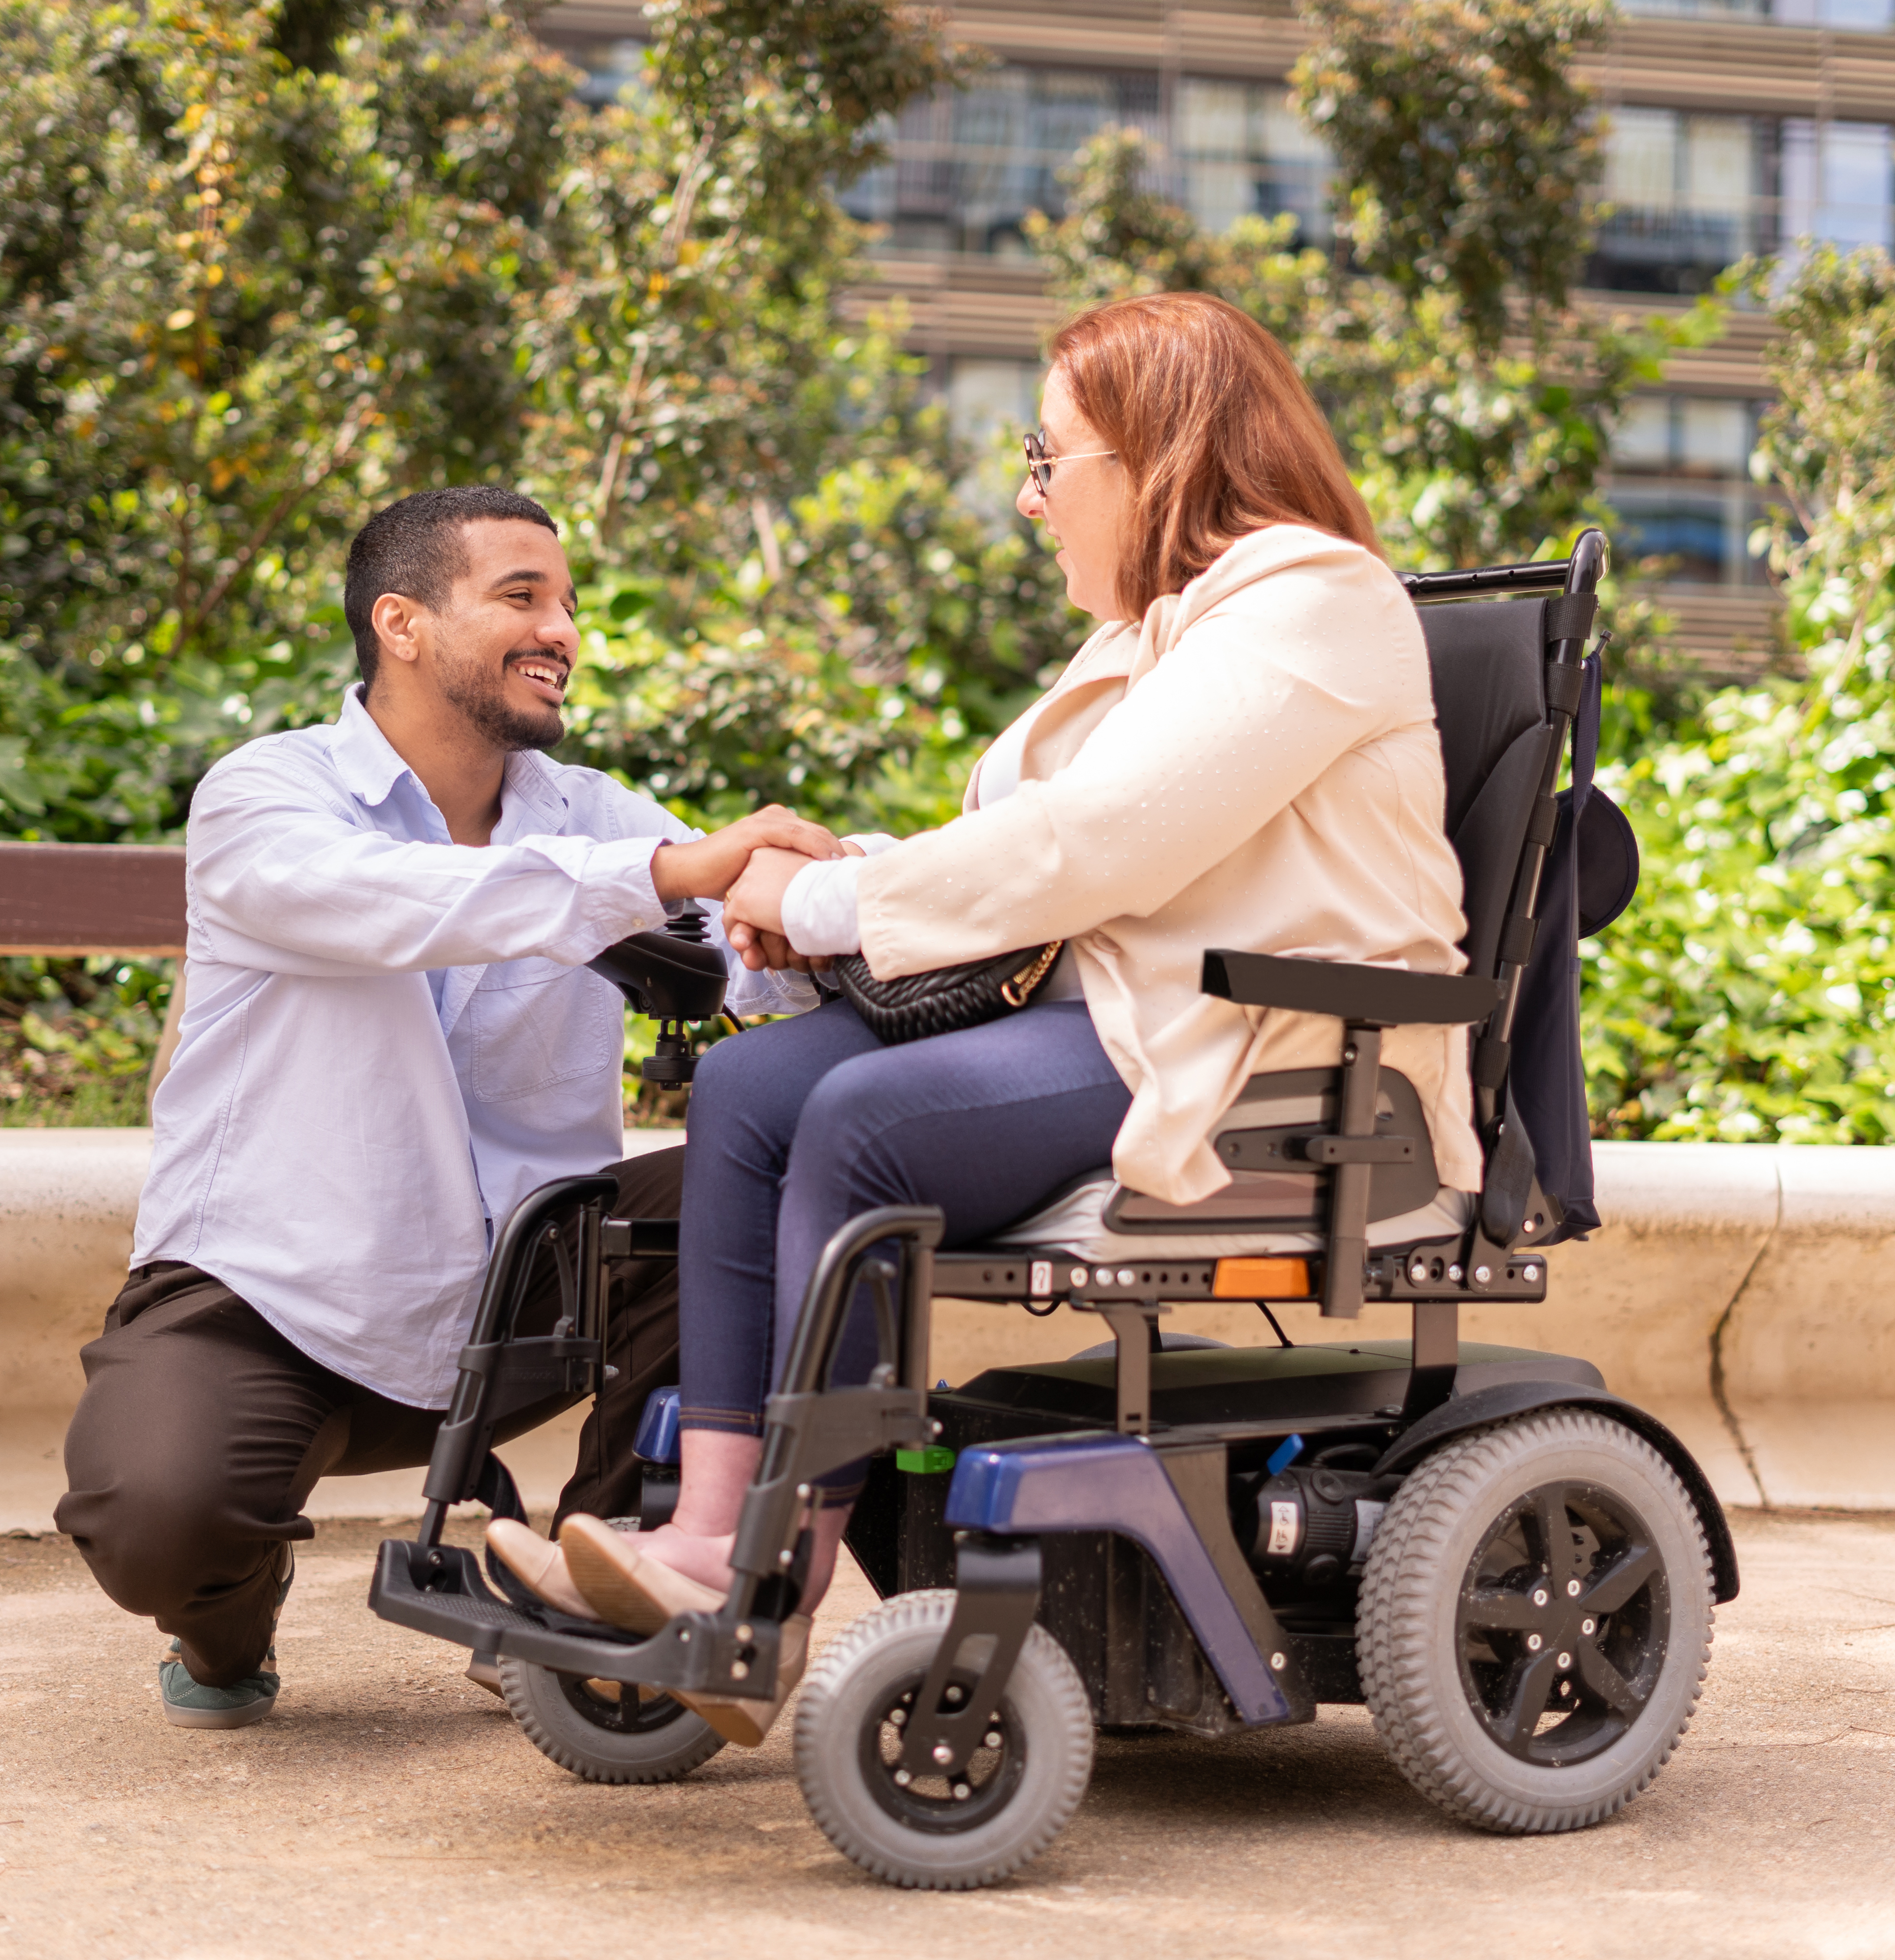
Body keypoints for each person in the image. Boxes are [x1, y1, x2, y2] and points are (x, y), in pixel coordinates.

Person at [481, 291, 1480, 1743]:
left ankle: (772, 1581)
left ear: (1156, 450)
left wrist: (828, 912)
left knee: (864, 1123)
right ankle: (705, 1532)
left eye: (1046, 456)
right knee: (755, 1097)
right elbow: (1028, 839)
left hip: (1258, 1053)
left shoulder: (1313, 600)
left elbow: (1102, 845)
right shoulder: (1158, 633)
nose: (1029, 498)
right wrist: (830, 883)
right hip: (1126, 1011)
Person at [54, 486, 829, 1730]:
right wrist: (659, 876)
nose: (561, 629)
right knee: (159, 1514)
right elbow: (386, 897)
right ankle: (227, 1623)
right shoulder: (265, 795)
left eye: (568, 604)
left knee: (770, 1169)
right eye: (521, 597)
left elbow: (753, 954)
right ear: (401, 622)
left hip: (531, 1281)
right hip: (278, 1291)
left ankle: (590, 1579)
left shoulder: (595, 815)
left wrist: (855, 901)